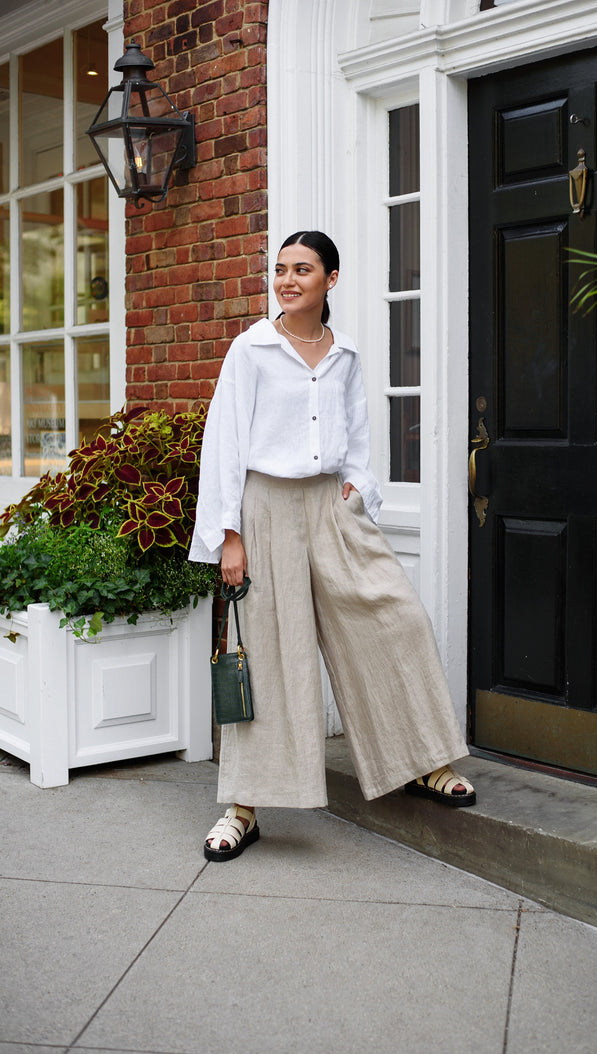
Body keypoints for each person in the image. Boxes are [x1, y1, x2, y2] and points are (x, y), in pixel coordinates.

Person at [189, 230, 474, 862]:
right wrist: (228, 536)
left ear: (331, 279)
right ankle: (243, 807)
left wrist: (356, 490)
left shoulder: (344, 354)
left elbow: (359, 437)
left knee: (392, 617)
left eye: (303, 270)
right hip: (264, 508)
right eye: (281, 270)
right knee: (264, 654)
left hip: (329, 506)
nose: (287, 281)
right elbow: (223, 445)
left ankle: (420, 761)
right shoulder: (251, 349)